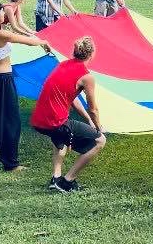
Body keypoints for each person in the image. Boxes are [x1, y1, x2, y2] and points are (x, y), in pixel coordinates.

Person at [0, 0, 51, 172]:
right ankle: (10, 163)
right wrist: (44, 42)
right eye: (2, 12)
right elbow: (27, 41)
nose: (5, 14)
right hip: (2, 79)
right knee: (11, 120)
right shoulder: (2, 34)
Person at [31, 36, 106, 193]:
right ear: (92, 54)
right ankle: (66, 182)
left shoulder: (64, 64)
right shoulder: (87, 77)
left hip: (39, 119)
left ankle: (55, 178)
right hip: (55, 121)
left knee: (62, 138)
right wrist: (98, 127)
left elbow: (72, 98)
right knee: (99, 141)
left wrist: (88, 121)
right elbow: (94, 109)